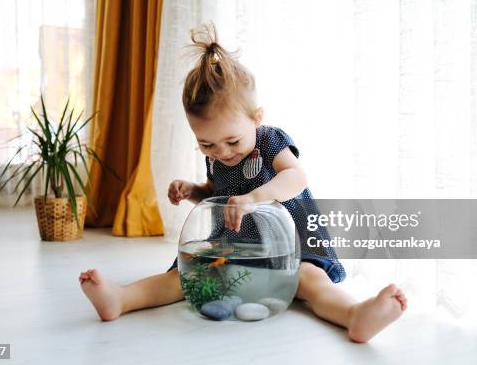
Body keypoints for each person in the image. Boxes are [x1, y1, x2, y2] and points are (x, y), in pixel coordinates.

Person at [79, 23, 407, 343]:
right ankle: (120, 299)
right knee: (181, 278)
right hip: (235, 247)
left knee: (311, 282)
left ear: (256, 118)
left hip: (291, 243)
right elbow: (215, 195)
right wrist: (193, 191)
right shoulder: (218, 157)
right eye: (206, 144)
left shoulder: (269, 141)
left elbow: (296, 177)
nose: (221, 153)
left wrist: (255, 197)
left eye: (232, 141)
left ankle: (354, 315)